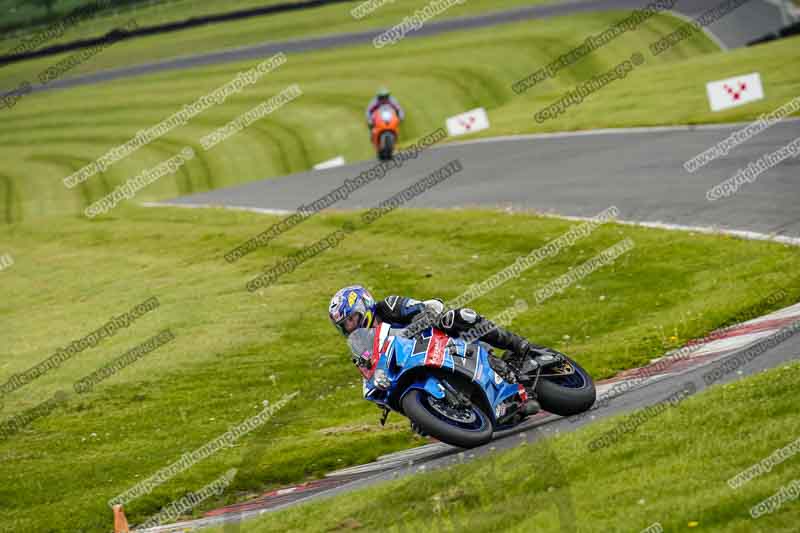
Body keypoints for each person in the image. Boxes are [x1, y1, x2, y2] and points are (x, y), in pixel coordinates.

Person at [328, 285, 541, 380]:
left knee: (458, 317)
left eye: (351, 319)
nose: (351, 327)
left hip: (438, 339)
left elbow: (423, 310)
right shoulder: (363, 348)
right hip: (420, 363)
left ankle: (518, 345)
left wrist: (407, 332)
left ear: (363, 306)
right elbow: (376, 377)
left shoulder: (389, 306)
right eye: (344, 325)